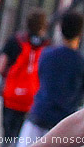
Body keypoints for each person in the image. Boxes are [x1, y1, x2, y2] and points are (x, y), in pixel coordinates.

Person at [18, 11, 84, 145]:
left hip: (39, 115)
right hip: (65, 121)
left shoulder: (47, 54)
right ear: (80, 32)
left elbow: (39, 77)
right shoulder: (80, 63)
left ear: (60, 29)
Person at [0, 8, 50, 146]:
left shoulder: (15, 41)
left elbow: (0, 67)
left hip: (11, 96)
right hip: (33, 98)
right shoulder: (48, 46)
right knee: (26, 139)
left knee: (8, 136)